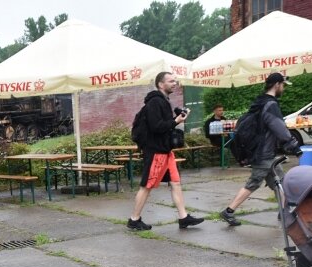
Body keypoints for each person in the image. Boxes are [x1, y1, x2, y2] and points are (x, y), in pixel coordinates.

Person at [220, 73, 301, 227]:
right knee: (254, 183)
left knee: (281, 182)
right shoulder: (271, 105)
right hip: (263, 153)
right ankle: (228, 211)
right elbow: (279, 127)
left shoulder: (260, 101)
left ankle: (285, 211)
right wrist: (293, 146)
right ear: (277, 84)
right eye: (282, 85)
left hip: (265, 152)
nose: (283, 88)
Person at [127, 72, 204, 231]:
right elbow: (156, 127)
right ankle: (134, 219)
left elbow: (163, 125)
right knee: (147, 185)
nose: (174, 83)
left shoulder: (163, 101)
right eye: (170, 81)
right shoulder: (155, 102)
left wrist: (176, 119)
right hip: (156, 151)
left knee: (175, 182)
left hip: (165, 151)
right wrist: (176, 121)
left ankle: (183, 217)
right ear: (161, 84)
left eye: (175, 81)